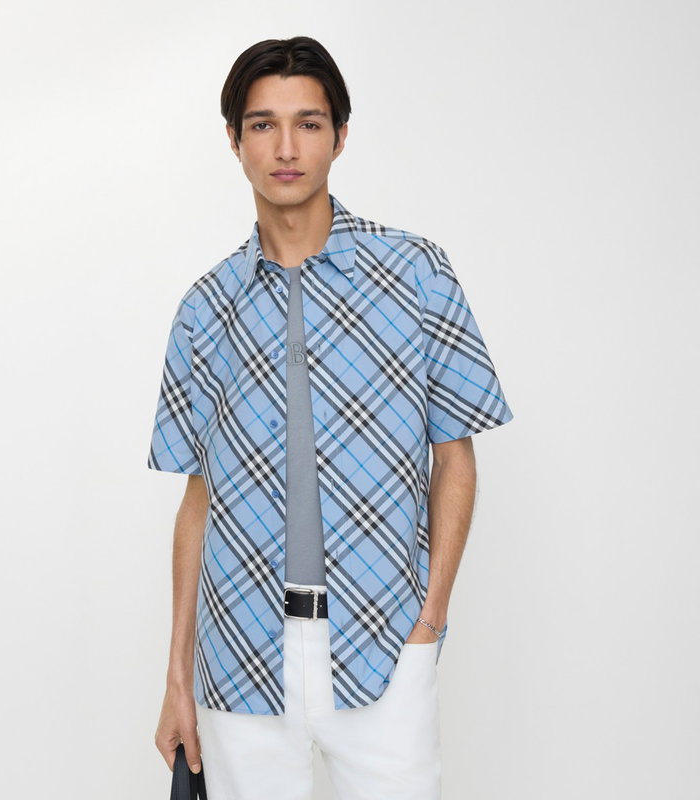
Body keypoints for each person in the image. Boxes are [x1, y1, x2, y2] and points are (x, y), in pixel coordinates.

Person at [148, 35, 514, 800]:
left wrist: (430, 620)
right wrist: (178, 675)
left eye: (308, 124)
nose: (286, 148)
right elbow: (197, 498)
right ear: (234, 140)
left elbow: (455, 455)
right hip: (238, 652)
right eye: (263, 125)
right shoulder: (204, 310)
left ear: (341, 136)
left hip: (385, 641)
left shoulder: (416, 272)